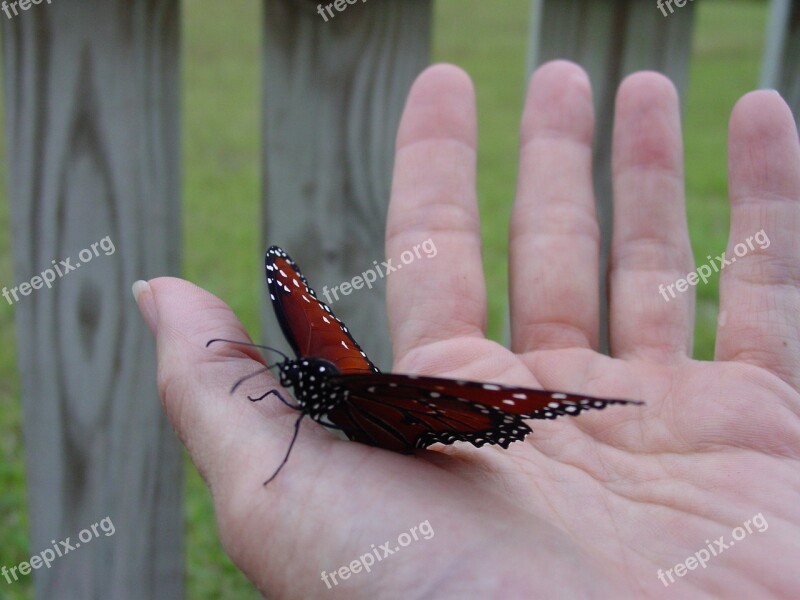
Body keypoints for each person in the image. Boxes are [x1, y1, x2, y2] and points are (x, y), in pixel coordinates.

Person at [133, 61, 800, 598]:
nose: (287, 376)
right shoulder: (329, 388)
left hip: (413, 415)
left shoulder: (351, 394)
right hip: (393, 417)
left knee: (376, 391)